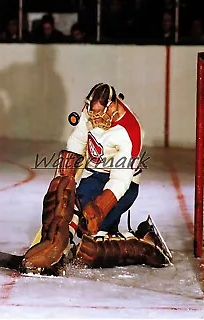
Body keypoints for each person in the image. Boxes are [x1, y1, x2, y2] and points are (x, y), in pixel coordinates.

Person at [21, 83, 172, 274]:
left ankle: (145, 244)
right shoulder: (90, 111)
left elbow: (121, 179)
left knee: (96, 247)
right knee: (65, 204)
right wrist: (66, 177)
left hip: (122, 185)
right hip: (94, 175)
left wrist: (101, 206)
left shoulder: (130, 131)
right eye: (93, 115)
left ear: (113, 106)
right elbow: (78, 141)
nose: (96, 120)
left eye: (100, 115)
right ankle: (55, 249)